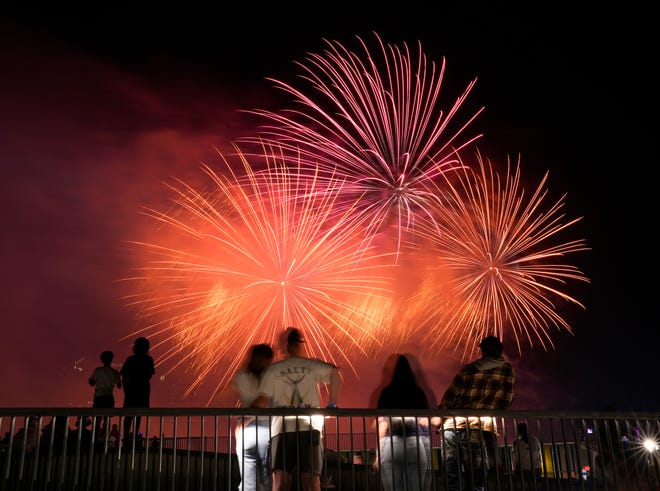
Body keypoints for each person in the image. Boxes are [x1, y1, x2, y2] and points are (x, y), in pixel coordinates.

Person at [252, 327, 341, 491]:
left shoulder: (274, 369)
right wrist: (332, 405)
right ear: (301, 345)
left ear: (284, 346)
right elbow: (335, 373)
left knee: (280, 481)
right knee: (311, 481)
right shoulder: (312, 365)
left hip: (281, 429)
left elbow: (262, 399)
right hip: (310, 428)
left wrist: (246, 416)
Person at [436, 335, 515, 491]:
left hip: (450, 427)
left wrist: (441, 420)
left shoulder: (468, 369)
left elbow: (448, 399)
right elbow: (506, 401)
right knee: (476, 481)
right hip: (476, 427)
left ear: (483, 351)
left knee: (452, 481)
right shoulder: (507, 370)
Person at [375, 354, 432, 491]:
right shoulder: (418, 392)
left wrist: (378, 454)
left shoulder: (387, 392)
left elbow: (382, 424)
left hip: (392, 445)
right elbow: (424, 422)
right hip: (415, 443)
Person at [231, 343, 275, 491]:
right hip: (267, 428)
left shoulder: (241, 376)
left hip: (245, 430)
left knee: (247, 478)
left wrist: (241, 422)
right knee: (267, 476)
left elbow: (226, 395)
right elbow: (264, 402)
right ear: (268, 360)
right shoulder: (272, 377)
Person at [120, 336, 155, 445]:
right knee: (138, 416)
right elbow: (150, 375)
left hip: (131, 391)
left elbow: (124, 376)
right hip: (143, 392)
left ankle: (126, 438)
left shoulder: (130, 359)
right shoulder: (149, 360)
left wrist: (126, 390)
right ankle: (134, 438)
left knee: (128, 416)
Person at [88, 350, 122, 437]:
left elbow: (92, 383)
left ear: (101, 360)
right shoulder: (114, 372)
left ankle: (95, 439)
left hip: (98, 397)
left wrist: (90, 380)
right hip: (109, 397)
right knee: (107, 420)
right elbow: (119, 386)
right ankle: (105, 439)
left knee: (97, 420)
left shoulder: (97, 370)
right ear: (111, 359)